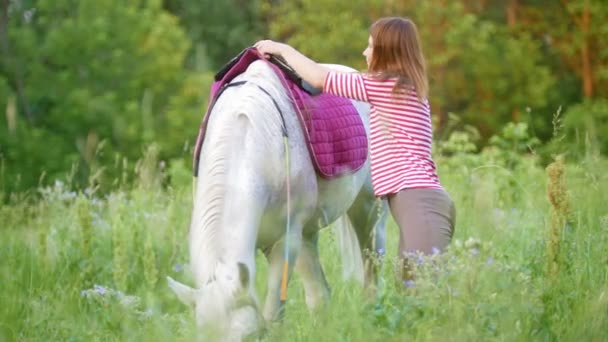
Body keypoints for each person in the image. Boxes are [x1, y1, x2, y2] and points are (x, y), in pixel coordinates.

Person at [254, 17, 455, 282]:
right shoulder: (401, 86)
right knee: (411, 290)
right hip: (419, 202)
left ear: (387, 51)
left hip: (419, 202)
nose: (364, 52)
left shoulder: (389, 86)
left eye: (371, 47)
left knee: (421, 291)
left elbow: (319, 77)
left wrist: (280, 48)